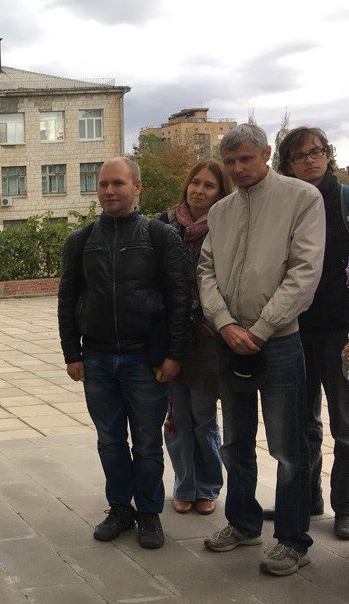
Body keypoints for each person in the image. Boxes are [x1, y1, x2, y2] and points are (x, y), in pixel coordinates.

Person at [199, 123, 324, 576]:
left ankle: (292, 540)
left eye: (245, 159)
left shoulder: (301, 198)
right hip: (229, 340)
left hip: (280, 342)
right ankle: (243, 522)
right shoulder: (221, 210)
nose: (237, 169)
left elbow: (304, 271)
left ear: (267, 153)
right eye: (230, 162)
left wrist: (263, 327)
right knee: (235, 441)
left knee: (288, 447)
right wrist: (224, 323)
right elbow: (206, 270)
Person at [58, 157, 191, 550]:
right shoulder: (81, 240)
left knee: (147, 443)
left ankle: (148, 512)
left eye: (117, 183)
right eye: (103, 184)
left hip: (144, 360)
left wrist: (174, 354)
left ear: (137, 187)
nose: (109, 191)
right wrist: (72, 353)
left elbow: (179, 300)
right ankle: (120, 508)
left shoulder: (160, 237)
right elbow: (67, 300)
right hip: (97, 358)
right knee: (110, 440)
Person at [263, 127, 349, 537]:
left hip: (341, 331)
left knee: (345, 423)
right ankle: (305, 497)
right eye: (300, 156)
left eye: (317, 152)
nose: (310, 160)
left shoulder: (345, 201)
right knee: (300, 422)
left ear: (328, 155)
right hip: (294, 330)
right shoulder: (286, 206)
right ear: (288, 165)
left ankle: (345, 507)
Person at [156, 161, 232, 515]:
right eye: (195, 183)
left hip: (207, 336)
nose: (199, 191)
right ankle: (184, 485)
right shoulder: (164, 224)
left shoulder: (227, 227)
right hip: (172, 334)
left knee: (203, 416)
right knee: (177, 417)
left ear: (221, 192)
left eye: (209, 186)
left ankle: (208, 486)